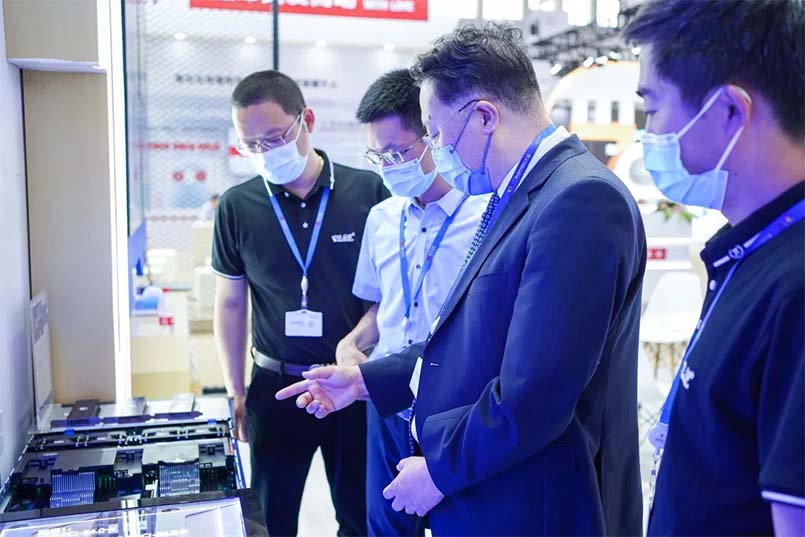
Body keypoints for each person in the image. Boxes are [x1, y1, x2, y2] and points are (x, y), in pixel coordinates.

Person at [278, 23, 646, 536]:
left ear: (485, 116)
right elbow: (478, 340)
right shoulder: (518, 194)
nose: (436, 147)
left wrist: (438, 473)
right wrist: (366, 380)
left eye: (434, 132)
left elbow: (535, 394)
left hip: (540, 505)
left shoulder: (578, 200)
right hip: (503, 492)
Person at [624, 1, 805, 534]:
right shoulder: (751, 252)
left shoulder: (795, 286)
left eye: (653, 108)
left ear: (728, 110)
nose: (649, 134)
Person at [212, 70, 388, 536]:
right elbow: (231, 304)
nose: (264, 152)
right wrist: (235, 390)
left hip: (350, 384)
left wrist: (365, 359)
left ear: (306, 120)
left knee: (359, 514)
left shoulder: (368, 193)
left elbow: (390, 294)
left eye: (274, 138)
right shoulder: (237, 206)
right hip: (276, 385)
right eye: (250, 144)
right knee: (271, 519)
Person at [338, 69, 487, 536]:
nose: (388, 166)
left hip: (454, 410)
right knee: (386, 527)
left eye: (398, 153)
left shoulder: (485, 215)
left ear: (432, 137)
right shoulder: (381, 218)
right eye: (377, 156)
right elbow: (378, 309)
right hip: (386, 405)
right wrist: (351, 343)